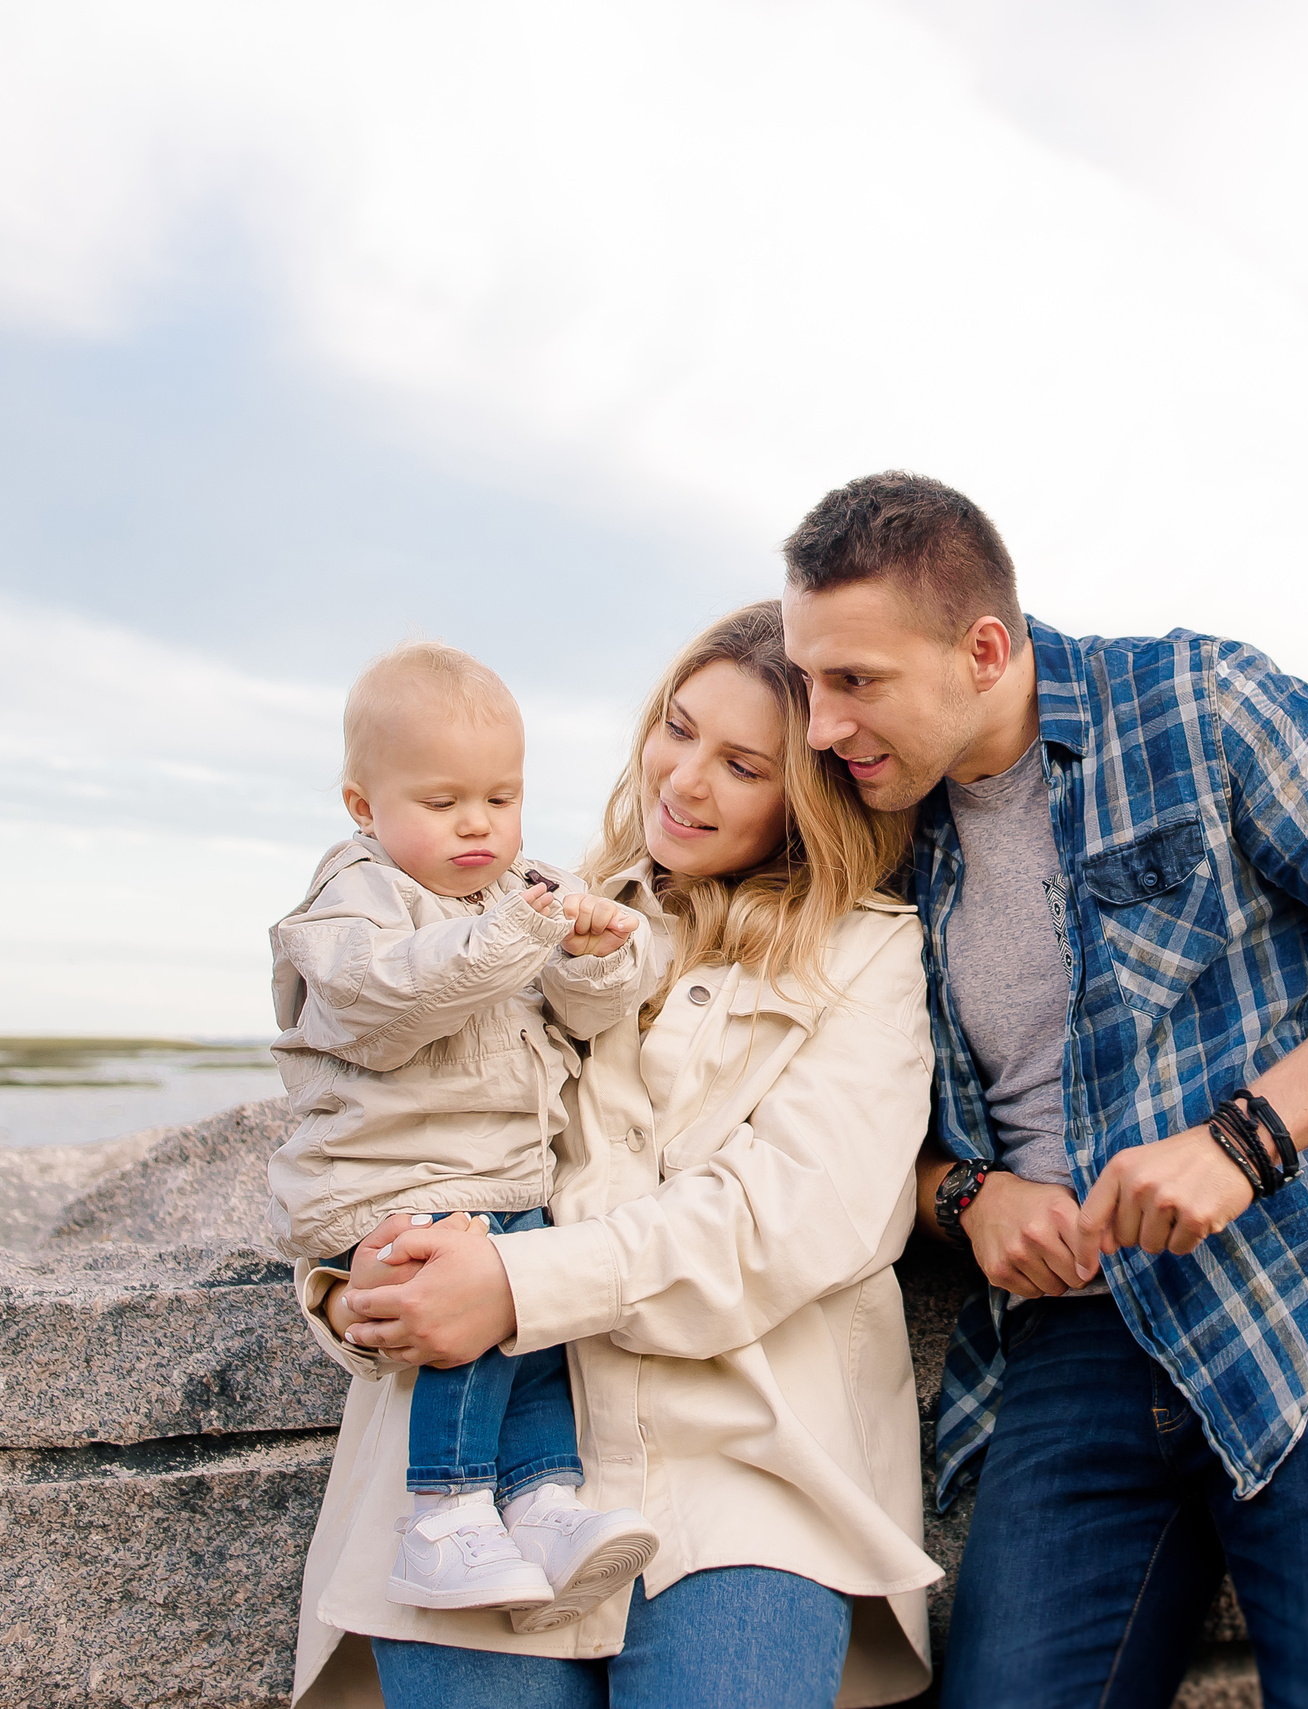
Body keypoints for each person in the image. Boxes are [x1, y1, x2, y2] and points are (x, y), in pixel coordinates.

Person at [779, 472, 1308, 1709]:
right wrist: (964, 1193)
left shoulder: (1198, 701)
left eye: (855, 680)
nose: (821, 724)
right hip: (1074, 1333)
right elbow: (845, 1119)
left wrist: (1245, 1139)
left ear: (983, 647)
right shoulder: (876, 829)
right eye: (810, 681)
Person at [292, 603, 942, 1709]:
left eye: (741, 763)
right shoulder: (517, 909)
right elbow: (375, 1118)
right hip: (466, 1477)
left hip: (749, 1471)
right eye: (676, 728)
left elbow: (792, 1218)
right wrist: (356, 1291)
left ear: (811, 796)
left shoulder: (870, 950)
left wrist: (511, 1284)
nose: (684, 780)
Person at [271, 639, 660, 1628]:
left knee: (525, 1328)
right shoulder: (353, 894)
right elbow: (385, 1000)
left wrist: (592, 953)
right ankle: (442, 1512)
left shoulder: (517, 887)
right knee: (468, 1306)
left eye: (502, 795)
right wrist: (520, 931)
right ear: (364, 805)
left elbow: (576, 1016)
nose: (478, 823)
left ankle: (539, 1496)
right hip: (393, 1179)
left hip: (494, 1171)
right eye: (443, 802)